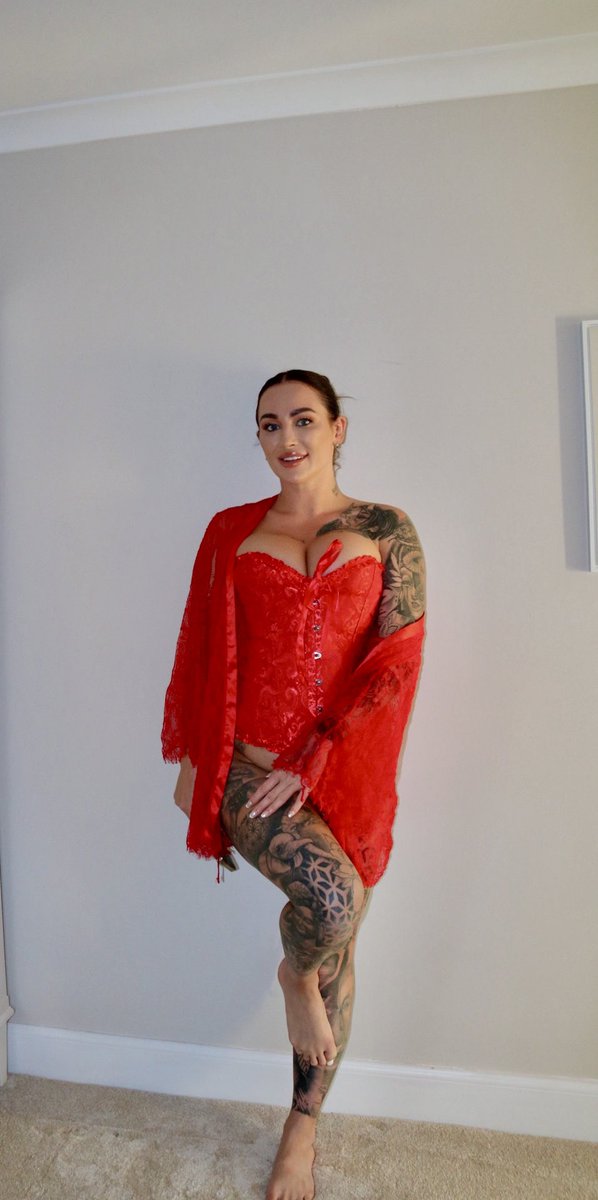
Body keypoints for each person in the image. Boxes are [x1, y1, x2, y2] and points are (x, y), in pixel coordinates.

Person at [162, 369, 426, 1200]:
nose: (287, 439)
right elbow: (202, 647)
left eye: (304, 420)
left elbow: (396, 660)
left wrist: (320, 751)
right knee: (334, 903)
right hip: (247, 770)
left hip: (344, 771)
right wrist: (195, 764)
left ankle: (300, 1127)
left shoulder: (386, 528)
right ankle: (297, 978)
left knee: (337, 931)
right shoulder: (231, 531)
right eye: (269, 424)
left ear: (338, 428)